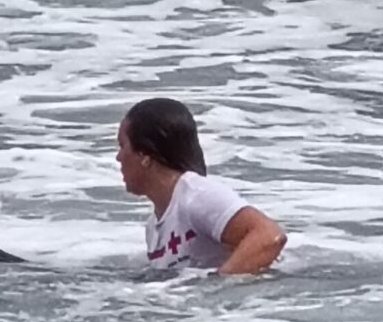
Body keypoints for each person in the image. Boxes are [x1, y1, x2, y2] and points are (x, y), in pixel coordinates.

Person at [116, 97, 286, 274]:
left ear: (145, 155)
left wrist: (218, 285)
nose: (118, 157)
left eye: (122, 146)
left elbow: (269, 236)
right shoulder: (153, 229)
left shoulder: (196, 195)